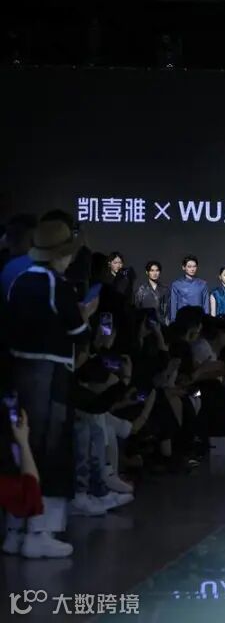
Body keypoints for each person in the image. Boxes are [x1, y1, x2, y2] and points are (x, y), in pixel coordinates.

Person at [5, 211, 94, 558]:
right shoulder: (59, 286)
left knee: (20, 449)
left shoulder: (20, 281)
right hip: (52, 374)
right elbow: (78, 332)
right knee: (51, 449)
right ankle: (40, 531)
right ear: (62, 254)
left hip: (18, 371)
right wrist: (85, 317)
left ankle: (14, 529)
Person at [169, 255, 209, 322]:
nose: (192, 269)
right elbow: (173, 305)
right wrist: (173, 321)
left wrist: (206, 321)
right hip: (182, 320)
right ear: (183, 267)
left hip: (198, 320)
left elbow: (206, 305)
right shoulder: (176, 284)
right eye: (189, 266)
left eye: (194, 266)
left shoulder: (203, 284)